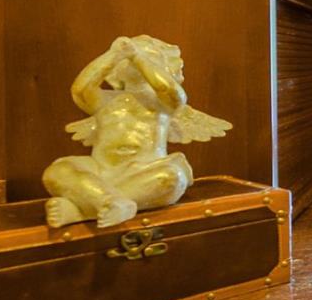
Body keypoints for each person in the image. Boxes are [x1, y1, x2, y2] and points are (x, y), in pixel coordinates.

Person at [42, 36, 230, 228]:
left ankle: (83, 210)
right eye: (127, 58)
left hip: (144, 171)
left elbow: (170, 89)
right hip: (101, 170)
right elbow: (80, 89)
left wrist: (137, 56)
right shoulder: (104, 100)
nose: (131, 59)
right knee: (57, 171)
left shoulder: (162, 103)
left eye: (150, 57)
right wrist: (114, 54)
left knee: (171, 178)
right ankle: (109, 201)